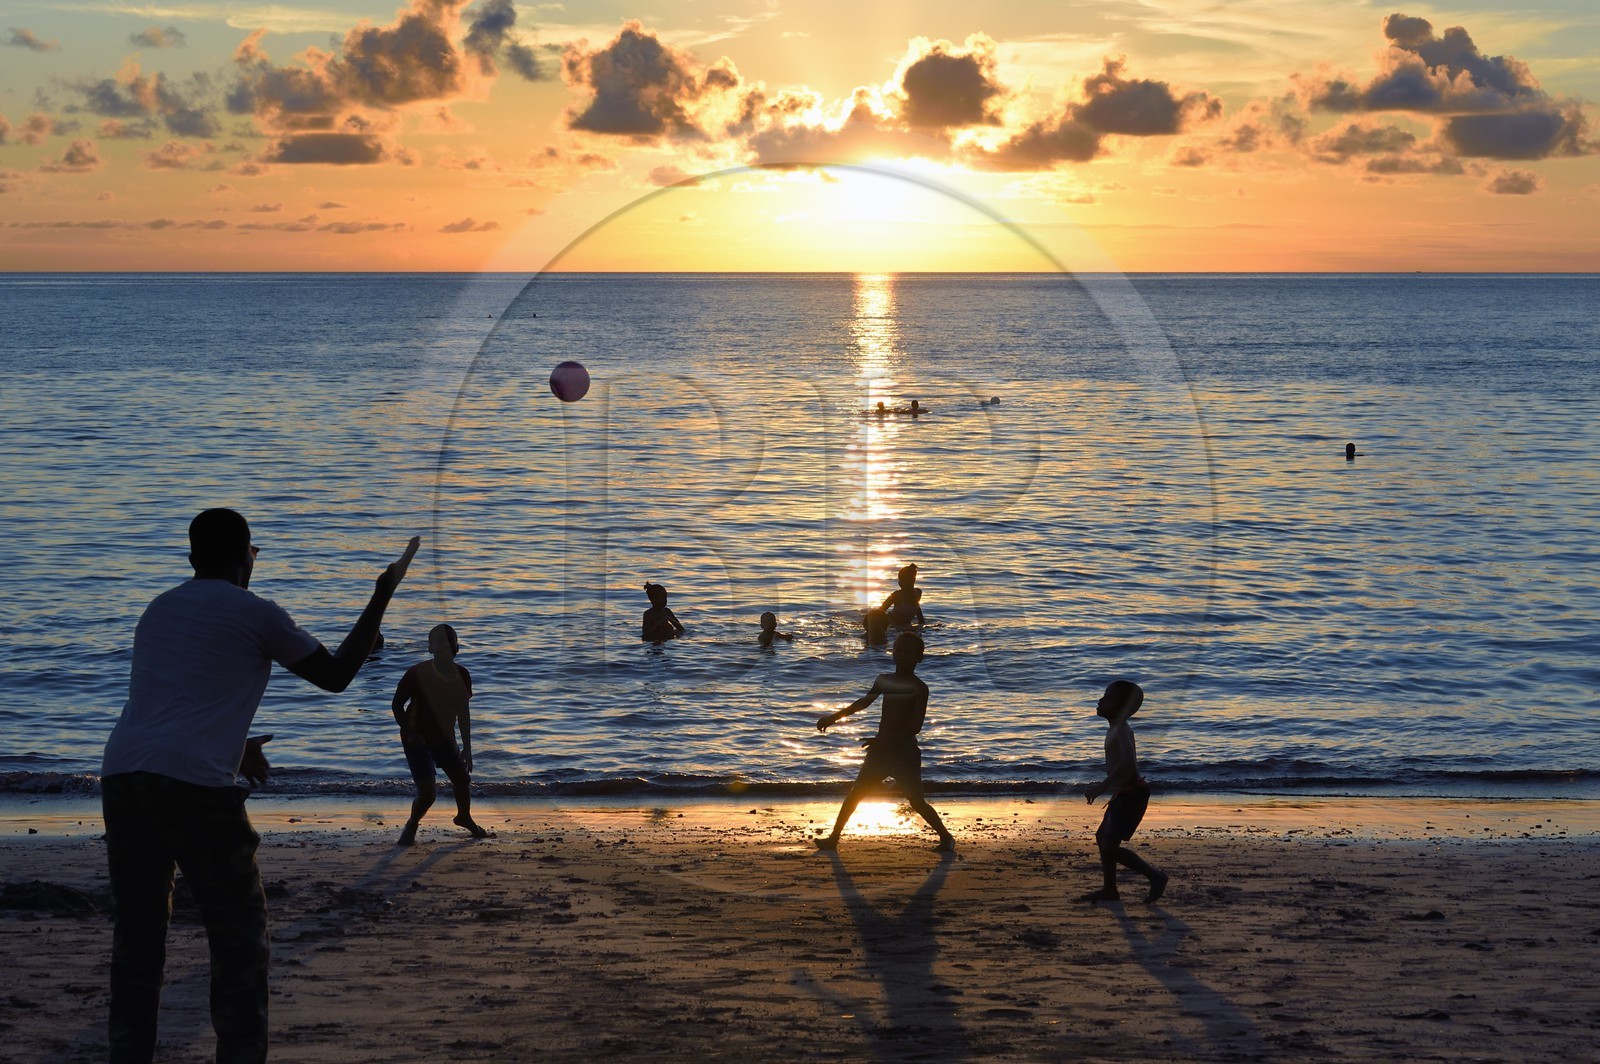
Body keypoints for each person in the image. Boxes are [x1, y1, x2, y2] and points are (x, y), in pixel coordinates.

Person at [100, 508, 419, 1064]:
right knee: (239, 945)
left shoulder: (158, 610)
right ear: (244, 555)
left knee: (139, 942)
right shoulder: (256, 613)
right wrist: (382, 594)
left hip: (125, 776)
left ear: (192, 559)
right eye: (253, 553)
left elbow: (177, 700)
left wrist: (238, 744)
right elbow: (338, 675)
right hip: (196, 790)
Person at [814, 632, 955, 852]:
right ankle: (833, 838)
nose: (902, 655)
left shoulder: (919, 688)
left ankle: (946, 838)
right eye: (898, 649)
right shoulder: (884, 679)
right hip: (880, 751)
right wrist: (832, 718)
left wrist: (882, 740)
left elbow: (914, 727)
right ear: (893, 653)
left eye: (909, 651)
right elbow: (863, 703)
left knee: (917, 802)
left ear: (920, 657)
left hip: (904, 753)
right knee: (856, 794)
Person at [392, 624, 487, 844]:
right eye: (439, 642)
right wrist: (409, 732)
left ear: (457, 647)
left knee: (462, 781)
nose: (444, 646)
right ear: (430, 648)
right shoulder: (417, 673)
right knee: (427, 795)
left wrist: (468, 748)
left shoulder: (462, 675)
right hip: (417, 740)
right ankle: (412, 823)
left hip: (445, 739)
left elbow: (464, 712)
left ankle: (464, 816)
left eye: (448, 641)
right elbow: (397, 705)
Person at [1082, 679, 1168, 904]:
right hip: (1124, 793)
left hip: (1132, 794)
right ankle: (1110, 890)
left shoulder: (1120, 729)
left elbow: (1128, 763)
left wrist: (1101, 786)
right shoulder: (1115, 728)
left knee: (1109, 845)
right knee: (1103, 839)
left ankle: (1155, 876)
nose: (1100, 700)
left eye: (1107, 698)